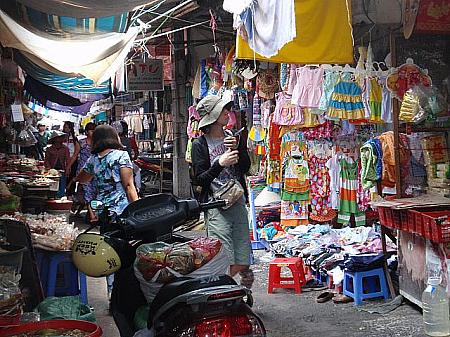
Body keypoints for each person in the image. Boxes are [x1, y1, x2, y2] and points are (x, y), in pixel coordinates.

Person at [73, 125, 139, 297]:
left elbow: (83, 178)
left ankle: (112, 293)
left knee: (109, 250)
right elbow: (128, 185)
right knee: (126, 250)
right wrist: (138, 208)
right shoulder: (121, 155)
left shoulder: (94, 159)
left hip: (104, 211)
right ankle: (124, 293)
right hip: (123, 211)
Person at [191, 95, 252, 280]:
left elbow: (245, 168)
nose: (228, 113)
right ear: (213, 116)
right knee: (223, 257)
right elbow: (200, 180)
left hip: (238, 202)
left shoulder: (231, 137)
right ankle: (224, 292)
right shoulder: (199, 144)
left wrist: (239, 149)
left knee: (243, 258)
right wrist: (220, 163)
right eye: (223, 110)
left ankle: (227, 288)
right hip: (216, 207)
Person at [68, 122, 97, 222]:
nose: (93, 132)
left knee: (93, 192)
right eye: (91, 130)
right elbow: (75, 155)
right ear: (86, 131)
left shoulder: (98, 143)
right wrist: (68, 167)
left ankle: (89, 212)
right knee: (87, 191)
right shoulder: (81, 143)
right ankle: (92, 215)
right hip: (83, 171)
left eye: (94, 130)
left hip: (95, 171)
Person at [44, 130, 70, 198]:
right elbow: (46, 160)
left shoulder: (65, 149)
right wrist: (49, 169)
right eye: (58, 137)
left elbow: (67, 160)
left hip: (62, 170)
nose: (60, 139)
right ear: (54, 139)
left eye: (61, 137)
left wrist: (67, 169)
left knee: (62, 186)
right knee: (52, 186)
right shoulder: (49, 149)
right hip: (52, 170)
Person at [63, 121, 80, 196]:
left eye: (66, 127)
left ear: (70, 129)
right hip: (63, 160)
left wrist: (69, 164)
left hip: (72, 160)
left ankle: (70, 195)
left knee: (71, 176)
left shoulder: (74, 138)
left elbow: (76, 152)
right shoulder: (62, 138)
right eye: (64, 127)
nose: (65, 128)